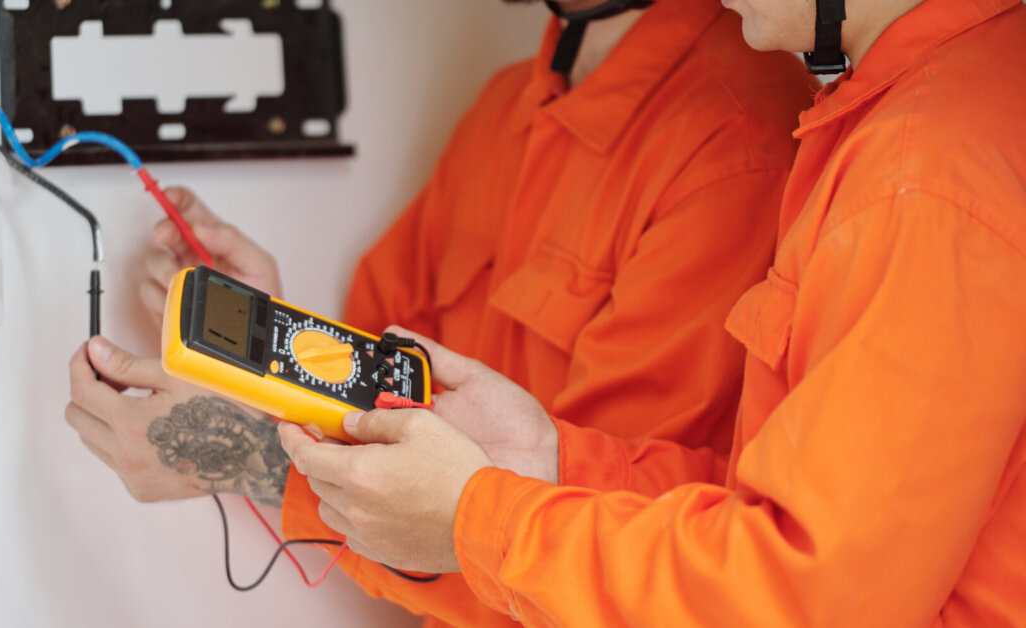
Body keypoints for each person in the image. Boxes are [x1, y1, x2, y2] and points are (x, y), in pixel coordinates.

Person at [65, 0, 814, 625]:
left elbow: (602, 553)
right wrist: (271, 349)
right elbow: (390, 387)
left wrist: (246, 455)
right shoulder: (503, 111)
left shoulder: (735, 139)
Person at [279, 0, 1026, 625]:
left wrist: (479, 520)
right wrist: (547, 463)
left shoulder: (921, 174)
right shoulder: (910, 122)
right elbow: (762, 522)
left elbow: (800, 601)